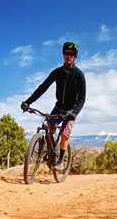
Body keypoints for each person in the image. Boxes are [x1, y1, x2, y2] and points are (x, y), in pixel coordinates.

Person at [21, 42, 86, 171]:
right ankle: (51, 155)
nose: (68, 56)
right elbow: (42, 88)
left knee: (64, 134)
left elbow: (82, 98)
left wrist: (74, 112)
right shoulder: (57, 72)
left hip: (71, 110)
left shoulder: (79, 75)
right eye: (66, 53)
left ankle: (60, 161)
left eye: (71, 54)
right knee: (49, 127)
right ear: (63, 54)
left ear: (75, 56)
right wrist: (28, 102)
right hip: (58, 107)